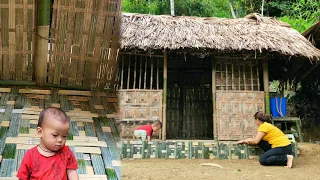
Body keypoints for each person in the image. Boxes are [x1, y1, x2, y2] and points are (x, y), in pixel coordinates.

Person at [17, 107, 79, 180]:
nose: (60, 140)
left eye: (64, 136)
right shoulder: (30, 155)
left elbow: (71, 171)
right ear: (40, 132)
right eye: (55, 135)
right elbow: (23, 177)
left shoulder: (66, 152)